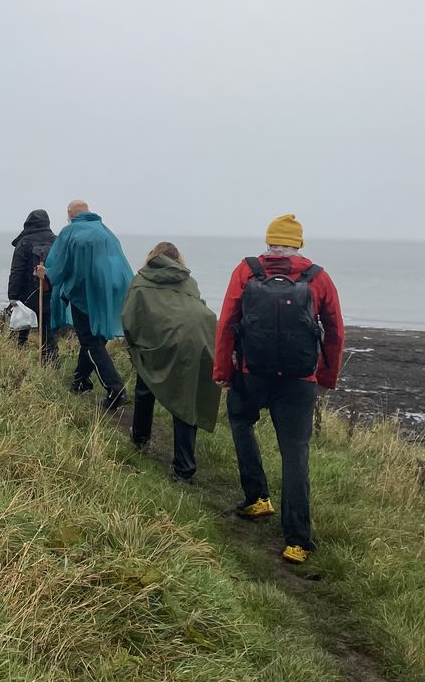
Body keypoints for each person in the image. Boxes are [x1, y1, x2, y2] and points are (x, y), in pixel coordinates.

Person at [214, 214, 344, 565]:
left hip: (250, 373)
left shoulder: (246, 269)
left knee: (241, 424)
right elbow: (334, 331)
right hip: (299, 382)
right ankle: (297, 541)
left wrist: (223, 370)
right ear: (298, 244)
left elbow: (227, 322)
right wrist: (326, 375)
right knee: (295, 454)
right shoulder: (318, 277)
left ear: (269, 242)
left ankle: (257, 498)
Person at [122, 242, 221, 483]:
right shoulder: (188, 280)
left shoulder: (141, 280)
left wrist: (135, 345)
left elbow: (130, 317)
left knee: (146, 387)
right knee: (186, 399)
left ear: (152, 257)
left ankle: (140, 438)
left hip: (161, 340)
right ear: (179, 260)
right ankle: (184, 468)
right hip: (198, 338)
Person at [39, 200, 132, 409]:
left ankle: (116, 389)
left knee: (90, 342)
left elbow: (59, 265)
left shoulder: (71, 232)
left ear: (70, 215)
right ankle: (80, 381)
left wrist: (45, 274)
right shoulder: (106, 232)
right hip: (110, 292)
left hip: (85, 293)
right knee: (95, 338)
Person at [7, 209, 59, 364]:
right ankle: (50, 363)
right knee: (48, 330)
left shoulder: (24, 242)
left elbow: (17, 270)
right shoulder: (56, 241)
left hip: (26, 295)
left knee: (21, 329)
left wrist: (13, 296)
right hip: (50, 293)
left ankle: (15, 363)